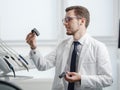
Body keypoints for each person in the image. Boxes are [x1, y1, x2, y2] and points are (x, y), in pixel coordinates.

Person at [26, 5, 113, 90]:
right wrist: (33, 47)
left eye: (69, 19)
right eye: (64, 20)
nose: (65, 23)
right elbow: (42, 65)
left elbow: (108, 79)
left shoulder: (98, 47)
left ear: (82, 21)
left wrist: (81, 78)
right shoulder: (62, 45)